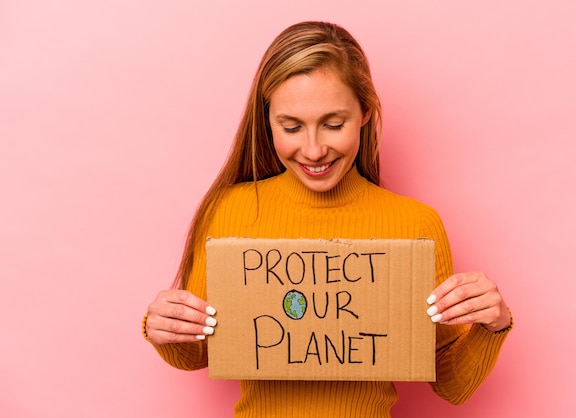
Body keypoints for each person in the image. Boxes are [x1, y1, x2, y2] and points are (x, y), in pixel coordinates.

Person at [142, 21, 512, 417]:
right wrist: (165, 327)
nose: (314, 149)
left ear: (365, 111)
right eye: (291, 126)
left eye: (333, 124)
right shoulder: (230, 210)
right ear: (267, 120)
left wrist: (493, 325)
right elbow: (198, 353)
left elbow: (451, 384)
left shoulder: (415, 226)